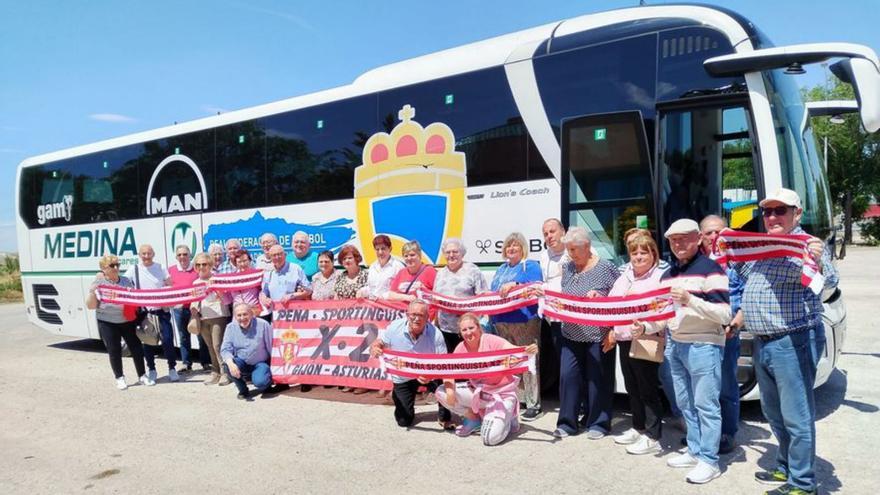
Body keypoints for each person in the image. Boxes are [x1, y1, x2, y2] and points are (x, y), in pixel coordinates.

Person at [732, 189, 838, 495]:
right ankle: (786, 466)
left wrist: (819, 261)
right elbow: (741, 271)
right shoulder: (763, 245)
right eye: (768, 211)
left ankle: (803, 484)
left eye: (781, 211)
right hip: (763, 341)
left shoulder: (807, 244)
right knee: (774, 412)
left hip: (793, 340)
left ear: (797, 214)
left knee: (797, 414)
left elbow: (829, 283)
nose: (773, 217)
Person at [657, 219, 731, 485]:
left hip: (703, 344)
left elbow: (724, 313)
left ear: (698, 238)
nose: (679, 244)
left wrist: (690, 299)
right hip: (676, 344)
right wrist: (644, 325)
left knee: (706, 405)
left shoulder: (711, 270)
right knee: (686, 404)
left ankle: (710, 461)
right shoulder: (667, 275)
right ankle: (695, 450)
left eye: (684, 238)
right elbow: (663, 313)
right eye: (673, 240)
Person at [551, 227, 620, 439]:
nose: (571, 254)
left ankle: (598, 423)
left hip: (598, 335)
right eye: (569, 250)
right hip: (570, 333)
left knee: (597, 379)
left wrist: (613, 329)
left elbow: (619, 299)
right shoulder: (568, 268)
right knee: (568, 376)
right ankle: (567, 423)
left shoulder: (606, 268)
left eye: (574, 249)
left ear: (588, 247)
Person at [435, 313, 537, 446]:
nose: (468, 332)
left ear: (479, 328)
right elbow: (449, 370)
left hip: (501, 395)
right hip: (479, 393)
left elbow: (511, 349)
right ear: (460, 333)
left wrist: (527, 350)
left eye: (471, 328)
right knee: (441, 391)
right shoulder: (460, 348)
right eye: (464, 330)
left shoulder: (492, 340)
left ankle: (508, 417)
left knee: (489, 439)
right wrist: (450, 392)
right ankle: (473, 418)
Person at [605, 234, 666, 455]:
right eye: (634, 252)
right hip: (623, 337)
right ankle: (638, 427)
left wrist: (646, 324)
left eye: (644, 252)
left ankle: (653, 436)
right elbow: (612, 302)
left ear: (653, 254)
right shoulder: (624, 276)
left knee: (647, 387)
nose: (638, 256)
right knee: (632, 386)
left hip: (646, 338)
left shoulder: (659, 277)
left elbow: (662, 309)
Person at [700, 214, 745, 454]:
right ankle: (704, 434)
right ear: (701, 237)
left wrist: (735, 325)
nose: (714, 236)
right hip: (700, 334)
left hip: (727, 334)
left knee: (726, 385)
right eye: (709, 233)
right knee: (703, 387)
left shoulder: (739, 262)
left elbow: (747, 297)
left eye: (719, 231)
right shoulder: (695, 262)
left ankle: (728, 433)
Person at [370, 299, 451, 428]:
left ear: (427, 317)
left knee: (445, 386)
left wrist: (430, 375)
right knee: (403, 421)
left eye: (421, 315)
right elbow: (380, 342)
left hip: (428, 374)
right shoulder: (394, 327)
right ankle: (399, 395)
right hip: (403, 377)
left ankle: (444, 416)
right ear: (407, 315)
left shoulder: (436, 334)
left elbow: (444, 364)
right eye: (413, 314)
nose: (416, 319)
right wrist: (375, 347)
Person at [489, 232, 544, 421]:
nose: (511, 249)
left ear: (523, 248)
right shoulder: (501, 269)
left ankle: (533, 404)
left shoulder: (530, 265)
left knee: (528, 359)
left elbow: (536, 285)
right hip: (501, 321)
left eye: (515, 245)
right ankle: (516, 398)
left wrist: (516, 284)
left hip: (524, 320)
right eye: (508, 246)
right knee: (511, 361)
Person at [85, 254, 150, 389]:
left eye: (117, 265)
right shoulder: (99, 283)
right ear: (104, 268)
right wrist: (92, 291)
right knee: (114, 350)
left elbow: (134, 299)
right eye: (112, 266)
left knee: (136, 348)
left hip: (126, 320)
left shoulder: (125, 281)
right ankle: (119, 377)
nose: (116, 268)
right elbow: (90, 306)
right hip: (107, 321)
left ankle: (142, 375)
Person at [123, 244, 178, 383]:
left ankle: (172, 368)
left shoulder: (160, 267)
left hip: (162, 311)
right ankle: (152, 370)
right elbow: (123, 283)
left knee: (168, 339)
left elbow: (169, 283)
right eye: (143, 254)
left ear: (153, 254)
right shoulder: (133, 269)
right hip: (145, 313)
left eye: (149, 253)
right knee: (147, 342)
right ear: (139, 255)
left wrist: (167, 291)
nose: (146, 256)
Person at [432, 238, 488, 352]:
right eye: (448, 252)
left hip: (468, 331)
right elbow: (436, 300)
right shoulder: (440, 273)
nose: (451, 255)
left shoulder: (473, 270)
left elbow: (484, 298)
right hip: (445, 330)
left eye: (455, 252)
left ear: (462, 253)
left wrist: (480, 323)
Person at [168, 244, 210, 373]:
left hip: (196, 309)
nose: (182, 257)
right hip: (179, 309)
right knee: (183, 337)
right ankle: (186, 363)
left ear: (189, 255)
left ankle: (205, 362)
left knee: (201, 335)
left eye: (185, 254)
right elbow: (167, 287)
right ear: (176, 256)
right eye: (179, 255)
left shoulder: (196, 270)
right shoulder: (171, 270)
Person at [220, 302, 275, 400]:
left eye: (245, 314)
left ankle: (266, 384)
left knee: (261, 382)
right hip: (242, 362)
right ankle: (243, 390)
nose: (242, 318)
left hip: (260, 363)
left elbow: (271, 347)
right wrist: (230, 363)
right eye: (239, 315)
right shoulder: (230, 327)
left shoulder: (263, 325)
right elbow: (225, 349)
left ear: (252, 314)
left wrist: (275, 369)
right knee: (227, 366)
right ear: (235, 317)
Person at [191, 253, 231, 386]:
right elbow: (194, 300)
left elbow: (227, 300)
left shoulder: (217, 279)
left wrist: (219, 291)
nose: (201, 267)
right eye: (198, 264)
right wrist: (193, 308)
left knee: (218, 345)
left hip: (218, 316)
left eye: (204, 264)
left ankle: (225, 372)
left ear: (210, 265)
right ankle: (215, 371)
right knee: (209, 346)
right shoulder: (195, 283)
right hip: (203, 318)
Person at [539, 218, 568, 391]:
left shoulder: (574, 250)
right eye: (545, 234)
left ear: (563, 231)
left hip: (574, 317)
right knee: (563, 361)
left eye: (552, 231)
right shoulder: (544, 257)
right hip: (554, 320)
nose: (549, 236)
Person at [259, 244, 312, 321]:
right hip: (276, 316)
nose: (277, 257)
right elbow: (264, 292)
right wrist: (264, 299)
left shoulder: (295, 269)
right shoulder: (268, 273)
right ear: (270, 258)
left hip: (295, 314)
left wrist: (292, 295)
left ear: (285, 255)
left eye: (280, 254)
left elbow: (309, 290)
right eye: (274, 255)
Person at [358, 234, 404, 300]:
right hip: (372, 306)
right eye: (377, 249)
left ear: (390, 249)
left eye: (383, 249)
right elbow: (371, 288)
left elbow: (402, 290)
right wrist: (362, 291)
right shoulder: (372, 266)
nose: (380, 252)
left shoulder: (398, 267)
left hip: (390, 307)